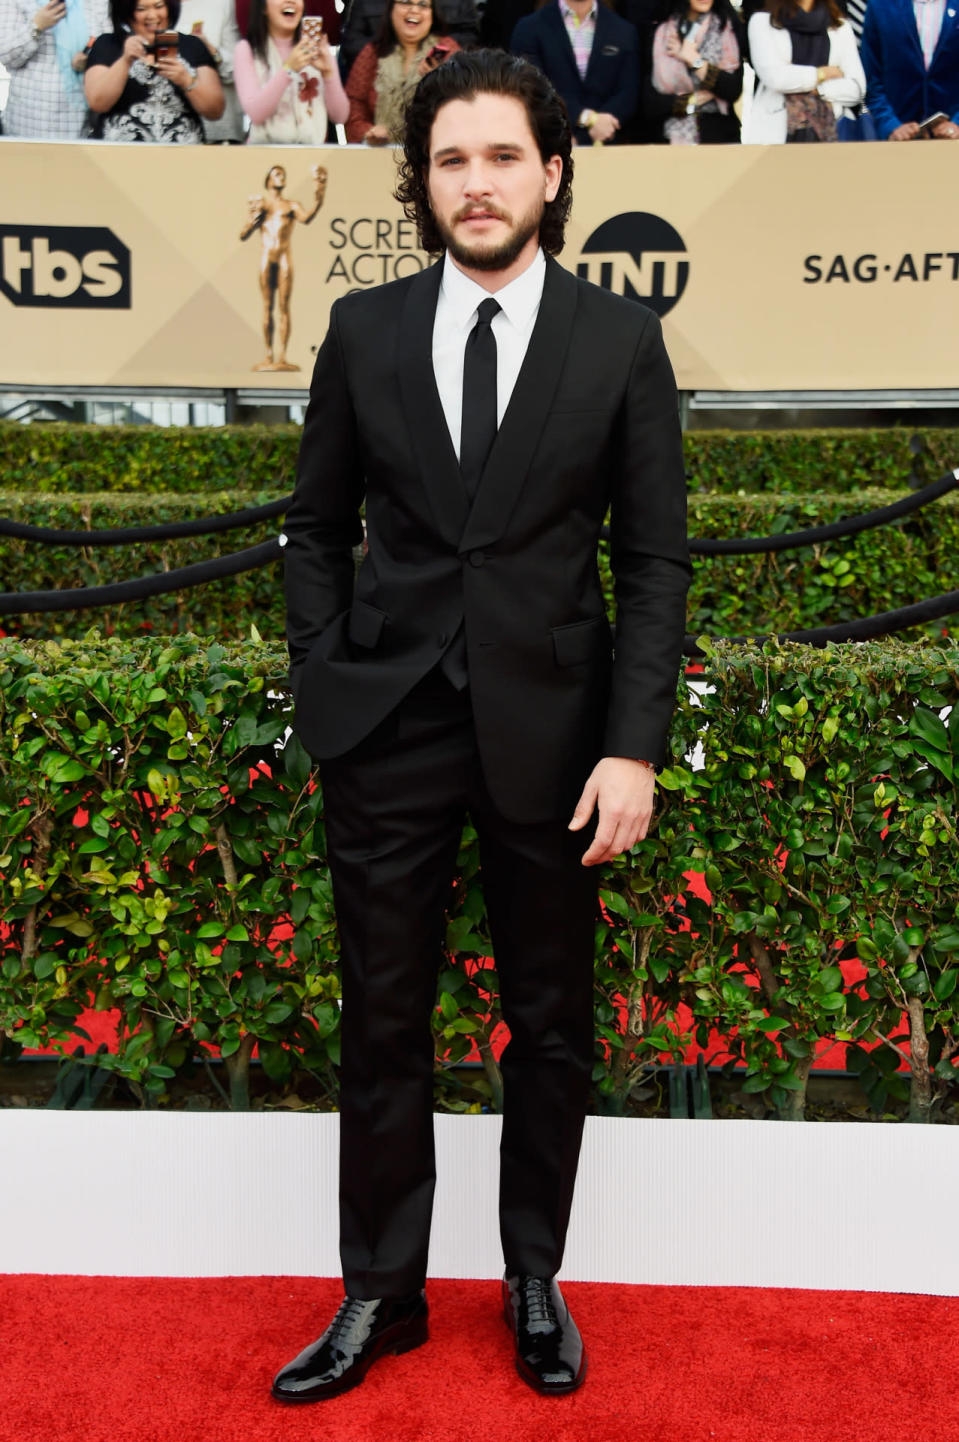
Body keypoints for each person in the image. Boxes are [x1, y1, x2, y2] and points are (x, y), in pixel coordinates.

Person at [273, 47, 690, 1404]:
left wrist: (630, 744)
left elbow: (655, 561)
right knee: (381, 1021)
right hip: (386, 730)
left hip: (559, 743)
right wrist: (327, 677)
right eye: (451, 159)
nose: (476, 181)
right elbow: (313, 530)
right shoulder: (364, 329)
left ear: (551, 173)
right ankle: (380, 1293)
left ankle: (528, 1276)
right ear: (420, 181)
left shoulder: (617, 341)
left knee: (548, 1023)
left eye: (501, 155)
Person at [84, 0, 224, 140]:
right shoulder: (108, 44)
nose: (152, 15)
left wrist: (186, 80)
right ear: (126, 12)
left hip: (182, 155)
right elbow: (97, 103)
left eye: (159, 6)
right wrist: (125, 61)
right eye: (141, 9)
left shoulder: (192, 46)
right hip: (120, 155)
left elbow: (215, 111)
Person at [510, 0, 640, 146]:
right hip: (549, 142)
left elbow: (628, 94)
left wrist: (593, 131)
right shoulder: (529, 28)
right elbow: (530, 88)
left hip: (608, 144)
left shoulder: (624, 30)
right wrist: (585, 118)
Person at [240, 162, 327, 370]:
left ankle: (282, 356)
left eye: (283, 174)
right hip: (266, 257)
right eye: (278, 174)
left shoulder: (291, 205)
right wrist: (253, 220)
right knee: (267, 307)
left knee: (283, 307)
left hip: (283, 258)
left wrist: (319, 193)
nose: (282, 177)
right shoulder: (261, 206)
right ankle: (268, 355)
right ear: (269, 180)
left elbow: (307, 217)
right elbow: (243, 234)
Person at [743, 0, 865, 142]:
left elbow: (857, 88)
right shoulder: (762, 22)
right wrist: (821, 74)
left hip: (833, 131)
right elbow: (775, 78)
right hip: (777, 133)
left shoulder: (840, 25)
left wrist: (819, 89)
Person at [345, 0, 459, 143]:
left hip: (431, 150)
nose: (414, 10)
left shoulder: (447, 51)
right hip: (379, 152)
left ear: (432, 14)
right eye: (406, 3)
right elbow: (354, 104)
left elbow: (462, 107)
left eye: (423, 5)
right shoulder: (373, 52)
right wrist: (368, 132)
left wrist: (437, 82)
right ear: (391, 10)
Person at [233, 0, 348, 142]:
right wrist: (289, 69)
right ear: (263, 7)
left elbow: (340, 116)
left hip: (312, 157)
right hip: (266, 157)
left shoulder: (318, 49)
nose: (291, 1)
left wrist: (328, 74)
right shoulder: (247, 50)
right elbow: (256, 113)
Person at [0, 0, 109, 137]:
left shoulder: (96, 3)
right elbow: (7, 56)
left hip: (81, 123)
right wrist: (37, 26)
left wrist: (91, 59)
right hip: (28, 122)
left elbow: (110, 47)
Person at [860, 0, 959, 140]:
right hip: (896, 142)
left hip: (953, 142)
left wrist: (957, 123)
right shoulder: (881, 5)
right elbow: (870, 76)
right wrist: (890, 125)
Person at [646, 0, 743, 141]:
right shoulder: (661, 34)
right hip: (669, 141)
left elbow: (732, 90)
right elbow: (652, 104)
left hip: (720, 139)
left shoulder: (726, 29)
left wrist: (693, 60)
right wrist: (691, 101)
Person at [337, 0, 476, 82]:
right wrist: (395, 53)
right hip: (376, 85)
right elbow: (351, 43)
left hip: (439, 82)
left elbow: (469, 36)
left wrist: (434, 55)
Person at [178, 0, 244, 139]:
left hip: (219, 132)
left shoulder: (222, 4)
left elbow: (239, 70)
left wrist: (210, 50)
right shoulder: (150, 8)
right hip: (170, 129)